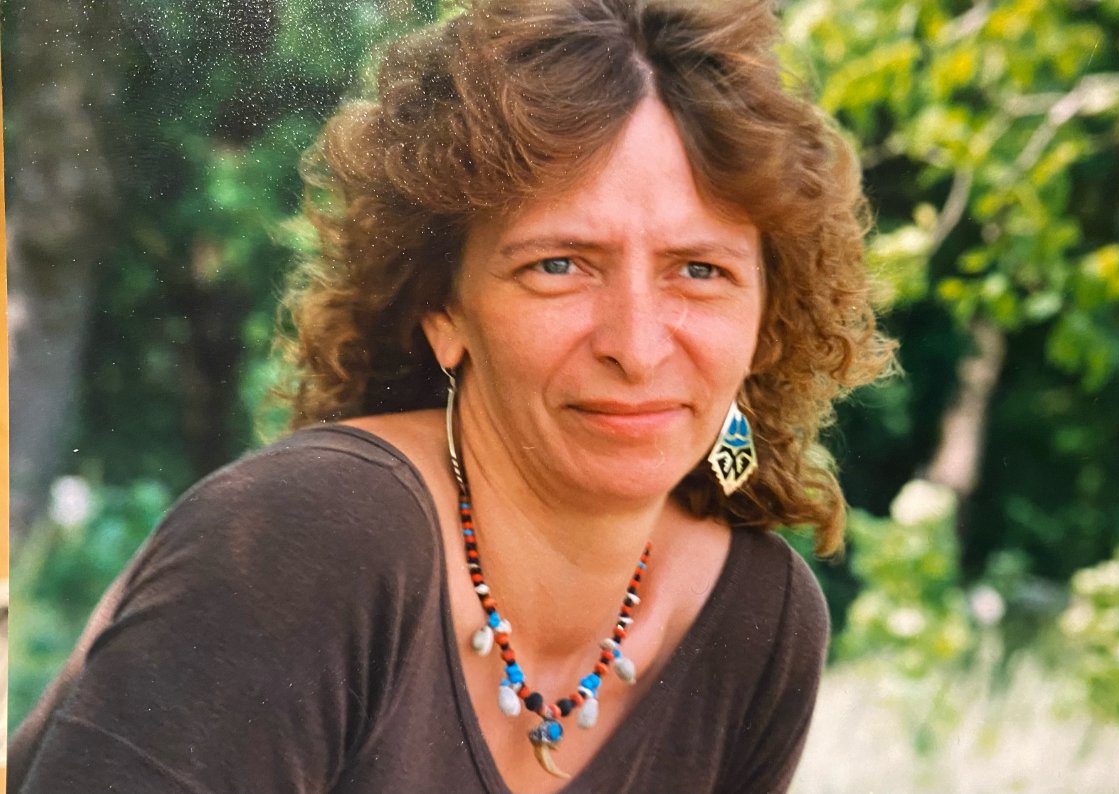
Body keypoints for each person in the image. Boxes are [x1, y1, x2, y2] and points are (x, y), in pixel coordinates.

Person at [10, 0, 894, 791]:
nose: (636, 346)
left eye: (699, 271)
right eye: (559, 265)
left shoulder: (759, 622)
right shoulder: (312, 538)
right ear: (444, 310)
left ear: (765, 317)